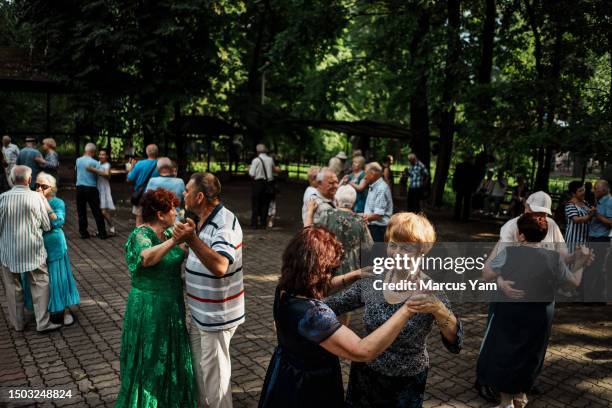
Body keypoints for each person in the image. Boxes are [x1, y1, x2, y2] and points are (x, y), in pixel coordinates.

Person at [258, 226, 421, 408]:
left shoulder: (285, 288)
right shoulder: (315, 316)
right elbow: (362, 351)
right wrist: (407, 309)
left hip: (285, 373)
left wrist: (353, 275)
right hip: (308, 387)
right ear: (323, 269)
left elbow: (313, 287)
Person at [325, 212, 463, 407]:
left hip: (406, 383)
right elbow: (333, 305)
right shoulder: (375, 279)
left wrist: (439, 310)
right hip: (365, 377)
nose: (396, 253)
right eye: (393, 245)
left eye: (405, 248)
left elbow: (455, 342)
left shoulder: (430, 289)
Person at [478, 213, 589, 408]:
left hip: (510, 311)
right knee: (531, 352)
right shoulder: (554, 259)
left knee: (506, 351)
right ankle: (521, 395)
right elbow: (573, 283)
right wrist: (581, 264)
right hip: (539, 315)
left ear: (520, 235)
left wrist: (499, 243)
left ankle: (506, 402)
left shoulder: (509, 253)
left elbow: (486, 274)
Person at [115, 189, 196, 408]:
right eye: (173, 208)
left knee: (169, 353)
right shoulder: (140, 235)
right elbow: (147, 258)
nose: (177, 213)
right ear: (160, 214)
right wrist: (175, 241)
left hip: (172, 304)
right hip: (148, 306)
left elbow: (187, 251)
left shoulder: (170, 233)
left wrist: (189, 236)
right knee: (149, 357)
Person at [173, 172, 244, 408]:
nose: (183, 194)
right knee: (201, 370)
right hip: (200, 313)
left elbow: (221, 265)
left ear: (199, 196)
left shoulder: (225, 223)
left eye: (187, 190)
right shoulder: (202, 219)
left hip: (216, 317)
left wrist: (192, 239)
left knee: (216, 378)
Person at [0, 165, 60, 332]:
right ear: (29, 180)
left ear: (12, 180)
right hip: (33, 250)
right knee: (40, 282)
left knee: (12, 287)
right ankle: (43, 322)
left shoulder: (2, 198)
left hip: (8, 251)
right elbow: (47, 226)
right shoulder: (37, 198)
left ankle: (18, 324)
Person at [29, 173, 80, 325]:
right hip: (37, 246)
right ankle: (43, 312)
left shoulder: (58, 202)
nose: (39, 189)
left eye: (43, 186)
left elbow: (58, 222)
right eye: (36, 185)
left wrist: (45, 203)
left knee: (58, 280)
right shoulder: (31, 200)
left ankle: (64, 311)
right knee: (40, 281)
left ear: (52, 188)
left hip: (55, 245)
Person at [583, 180, 612, 302]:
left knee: (595, 266)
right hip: (595, 237)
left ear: (604, 190)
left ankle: (590, 297)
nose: (594, 190)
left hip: (601, 238)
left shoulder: (610, 202)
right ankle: (598, 297)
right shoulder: (600, 200)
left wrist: (597, 215)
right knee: (596, 266)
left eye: (596, 188)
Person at [75, 143, 108, 239]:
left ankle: (83, 233)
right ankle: (102, 233)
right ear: (93, 152)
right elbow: (105, 174)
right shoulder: (95, 163)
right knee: (97, 211)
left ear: (85, 150)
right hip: (91, 188)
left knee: (81, 211)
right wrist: (93, 170)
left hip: (80, 188)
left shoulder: (78, 160)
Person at [127, 144, 160, 226]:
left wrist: (130, 169)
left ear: (147, 152)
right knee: (154, 220)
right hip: (156, 196)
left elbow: (130, 178)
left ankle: (139, 238)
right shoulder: (161, 165)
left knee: (139, 219)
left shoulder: (140, 164)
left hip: (141, 196)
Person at [248, 144, 279, 229]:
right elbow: (273, 170)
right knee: (265, 204)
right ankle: (263, 224)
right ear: (265, 150)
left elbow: (251, 173)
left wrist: (249, 169)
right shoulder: (270, 159)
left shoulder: (256, 160)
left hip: (258, 184)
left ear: (257, 151)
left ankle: (254, 224)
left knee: (256, 203)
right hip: (268, 184)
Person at [87, 149, 116, 236]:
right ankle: (100, 229)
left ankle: (112, 228)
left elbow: (107, 175)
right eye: (100, 154)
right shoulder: (97, 163)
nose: (101, 156)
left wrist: (93, 170)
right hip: (96, 188)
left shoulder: (107, 165)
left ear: (107, 156)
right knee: (98, 211)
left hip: (104, 189)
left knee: (103, 211)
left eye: (103, 154)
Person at [363, 162, 393, 242]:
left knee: (377, 252)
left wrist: (359, 218)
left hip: (379, 229)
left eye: (366, 174)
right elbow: (370, 211)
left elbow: (377, 215)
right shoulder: (374, 185)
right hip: (373, 226)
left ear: (372, 174)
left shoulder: (381, 189)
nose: (364, 177)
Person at [564, 181, 595, 252]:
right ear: (573, 193)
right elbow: (576, 219)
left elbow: (592, 210)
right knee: (572, 260)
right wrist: (590, 215)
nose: (583, 192)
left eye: (583, 190)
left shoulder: (585, 202)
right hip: (573, 239)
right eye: (580, 191)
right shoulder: (570, 205)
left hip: (584, 239)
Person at [452, 155, 478, 221]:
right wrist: (474, 188)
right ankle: (465, 217)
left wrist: (454, 186)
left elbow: (455, 177)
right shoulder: (473, 168)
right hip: (468, 188)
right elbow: (474, 180)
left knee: (459, 201)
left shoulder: (460, 166)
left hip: (460, 187)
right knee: (466, 203)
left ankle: (456, 216)